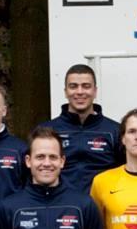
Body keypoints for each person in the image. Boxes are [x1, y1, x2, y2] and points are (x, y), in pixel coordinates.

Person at [46, 63, 123, 195]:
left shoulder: (115, 131)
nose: (80, 92)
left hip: (102, 203)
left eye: (86, 86)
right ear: (65, 91)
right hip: (60, 204)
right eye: (73, 86)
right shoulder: (47, 130)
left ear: (95, 91)